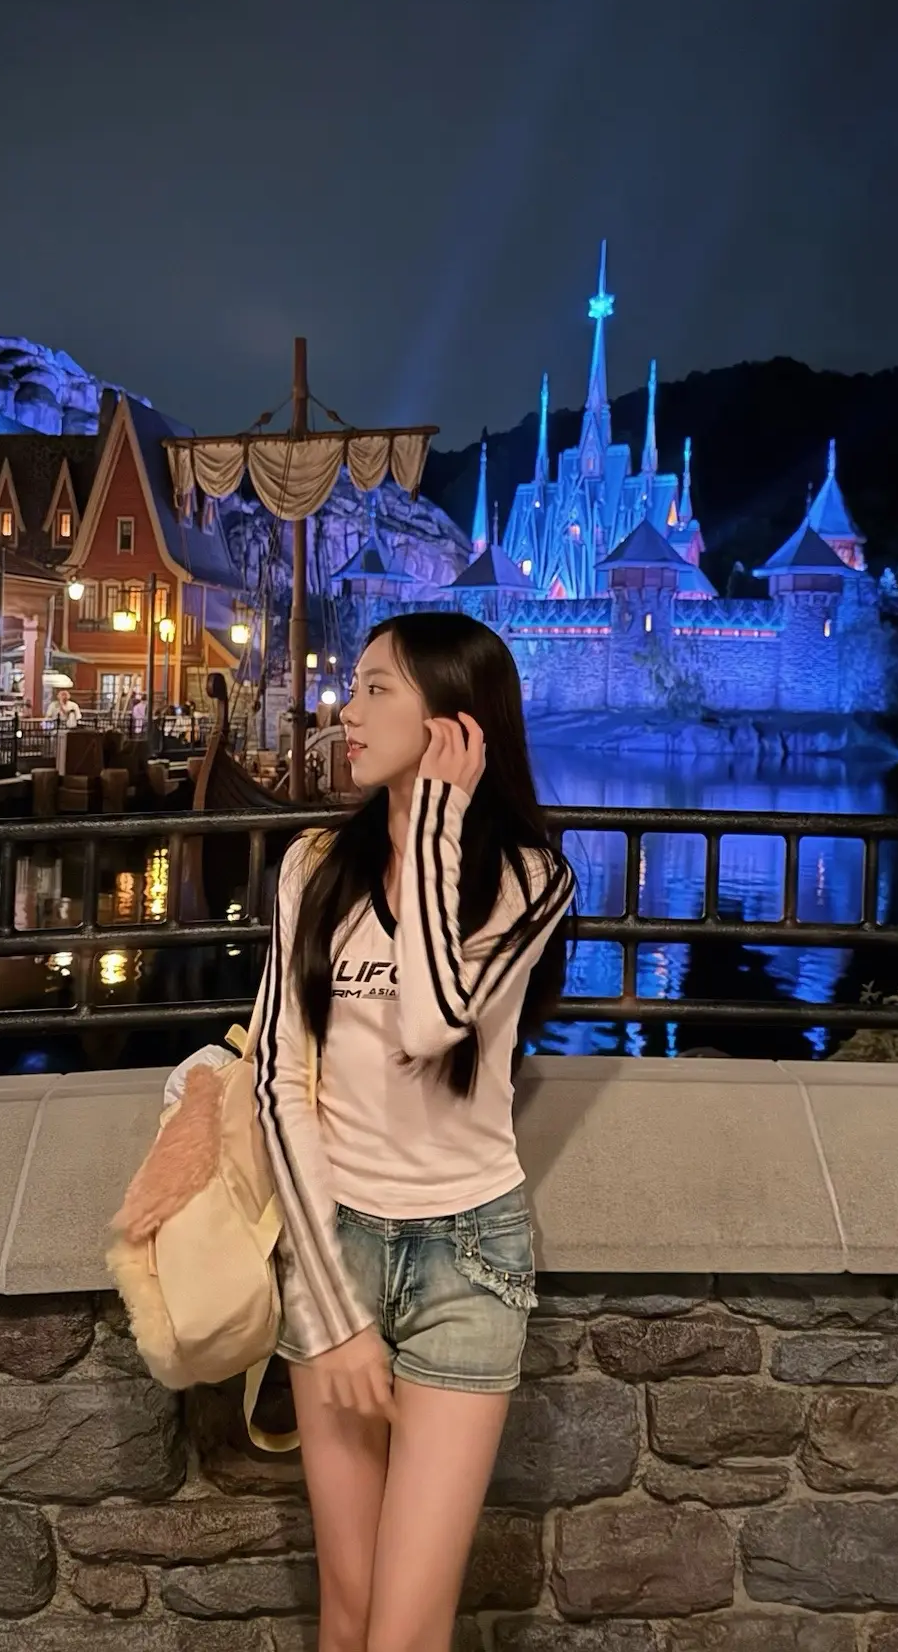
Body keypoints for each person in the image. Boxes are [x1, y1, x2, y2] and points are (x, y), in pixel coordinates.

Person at [244, 611, 574, 1650]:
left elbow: (434, 1026)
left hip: (467, 1258)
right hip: (333, 1244)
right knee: (347, 1616)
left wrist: (434, 826)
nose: (346, 709)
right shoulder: (312, 865)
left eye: (377, 688)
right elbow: (275, 1082)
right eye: (355, 685)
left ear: (453, 723)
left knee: (405, 1628)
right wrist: (333, 1309)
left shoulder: (531, 880)